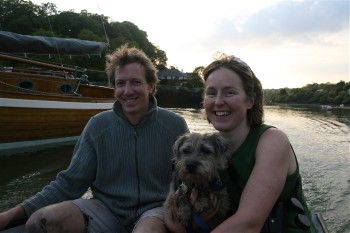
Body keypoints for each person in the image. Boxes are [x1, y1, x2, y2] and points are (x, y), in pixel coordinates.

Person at [0, 44, 189, 233]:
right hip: (105, 209)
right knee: (39, 221)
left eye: (136, 82)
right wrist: (11, 214)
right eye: (120, 83)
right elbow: (69, 183)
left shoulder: (175, 125)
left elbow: (189, 179)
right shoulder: (97, 126)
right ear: (113, 88)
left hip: (154, 210)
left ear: (151, 86)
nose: (127, 91)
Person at [165, 53, 317, 233]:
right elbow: (172, 209)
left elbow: (248, 225)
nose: (219, 101)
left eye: (230, 92)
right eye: (211, 93)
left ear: (250, 100)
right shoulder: (209, 147)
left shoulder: (272, 141)